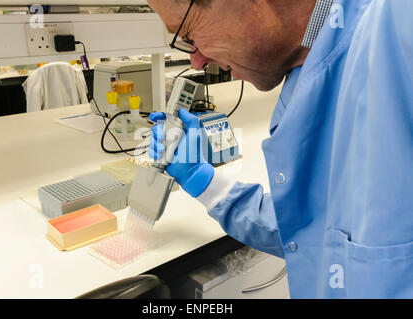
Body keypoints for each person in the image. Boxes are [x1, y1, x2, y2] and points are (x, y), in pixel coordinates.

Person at [146, 0, 413, 298]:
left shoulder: (398, 21)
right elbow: (318, 232)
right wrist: (206, 184)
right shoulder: (304, 72)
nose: (196, 62)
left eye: (189, 36)